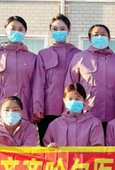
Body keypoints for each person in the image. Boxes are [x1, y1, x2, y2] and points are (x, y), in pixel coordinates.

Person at [43, 83, 104, 170]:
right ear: (64, 100)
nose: (74, 102)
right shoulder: (55, 124)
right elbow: (46, 150)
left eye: (77, 98)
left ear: (84, 101)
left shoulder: (94, 123)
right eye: (70, 98)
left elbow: (97, 149)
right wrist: (50, 147)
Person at [32, 14, 80, 145]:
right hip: (49, 108)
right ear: (51, 31)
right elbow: (38, 83)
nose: (59, 32)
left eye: (62, 28)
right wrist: (37, 106)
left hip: (72, 107)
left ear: (68, 30)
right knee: (48, 145)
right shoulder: (43, 54)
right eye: (55, 29)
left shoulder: (78, 53)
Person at [0, 16, 37, 126]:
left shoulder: (33, 58)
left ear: (25, 32)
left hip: (24, 110)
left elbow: (36, 87)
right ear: (5, 30)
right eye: (13, 28)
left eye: (20, 29)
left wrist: (35, 112)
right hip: (0, 110)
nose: (16, 32)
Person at [67, 24, 115, 129]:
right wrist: (70, 109)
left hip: (112, 115)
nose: (99, 37)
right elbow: (70, 85)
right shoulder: (80, 57)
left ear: (109, 38)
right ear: (90, 39)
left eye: (103, 34)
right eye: (96, 35)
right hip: (87, 113)